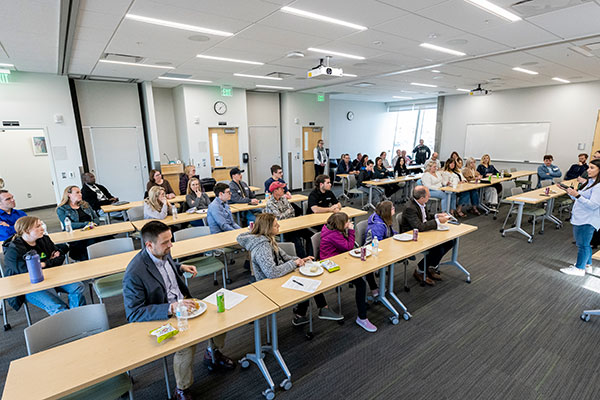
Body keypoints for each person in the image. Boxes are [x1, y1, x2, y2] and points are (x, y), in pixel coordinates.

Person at [123, 221, 234, 400]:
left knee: (220, 318)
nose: (171, 245)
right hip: (164, 314)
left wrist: (180, 267)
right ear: (149, 245)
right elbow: (133, 313)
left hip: (184, 303)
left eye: (171, 240)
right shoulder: (134, 273)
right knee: (186, 346)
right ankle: (181, 389)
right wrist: (171, 308)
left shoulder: (162, 251)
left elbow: (165, 268)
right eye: (166, 242)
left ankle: (213, 352)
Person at [236, 213, 342, 326]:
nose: (279, 226)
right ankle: (313, 310)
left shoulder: (268, 240)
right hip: (268, 285)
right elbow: (272, 272)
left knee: (309, 279)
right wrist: (294, 263)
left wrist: (301, 260)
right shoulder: (262, 247)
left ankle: (307, 312)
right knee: (307, 283)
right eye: (276, 225)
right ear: (268, 228)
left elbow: (285, 257)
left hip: (276, 277)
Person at [2, 216, 86, 315]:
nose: (42, 228)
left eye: (41, 225)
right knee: (57, 306)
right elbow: (27, 271)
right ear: (26, 230)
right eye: (37, 226)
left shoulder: (44, 239)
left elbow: (60, 257)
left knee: (77, 287)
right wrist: (48, 261)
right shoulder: (13, 250)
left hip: (50, 277)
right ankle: (74, 324)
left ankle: (77, 316)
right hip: (27, 286)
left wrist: (44, 263)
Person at [319, 212, 377, 332]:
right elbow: (349, 246)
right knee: (360, 283)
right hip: (333, 266)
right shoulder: (333, 235)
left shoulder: (330, 229)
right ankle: (362, 318)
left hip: (341, 259)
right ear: (340, 224)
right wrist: (351, 231)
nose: (349, 222)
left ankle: (374, 292)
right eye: (346, 222)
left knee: (366, 269)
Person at [400, 186, 453, 286]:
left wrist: (437, 216)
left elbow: (426, 217)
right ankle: (420, 270)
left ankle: (430, 266)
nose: (430, 197)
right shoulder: (410, 208)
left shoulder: (421, 203)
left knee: (450, 242)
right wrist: (437, 221)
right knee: (438, 249)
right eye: (428, 196)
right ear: (422, 198)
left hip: (424, 233)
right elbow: (419, 227)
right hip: (413, 236)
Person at [559, 159, 600, 276]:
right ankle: (587, 265)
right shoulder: (591, 182)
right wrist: (570, 192)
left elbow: (593, 205)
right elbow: (581, 197)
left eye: (592, 168)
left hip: (587, 219)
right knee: (585, 244)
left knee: (583, 245)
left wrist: (576, 194)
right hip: (582, 217)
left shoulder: (598, 186)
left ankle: (579, 268)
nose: (588, 170)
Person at [264, 181, 312, 257]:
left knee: (310, 235)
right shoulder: (270, 203)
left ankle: (311, 256)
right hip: (280, 228)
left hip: (292, 224)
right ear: (275, 191)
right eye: (281, 189)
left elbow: (292, 211)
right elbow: (279, 218)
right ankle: (303, 259)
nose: (284, 190)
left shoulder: (283, 198)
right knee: (296, 240)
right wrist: (288, 212)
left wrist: (285, 213)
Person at [56, 186, 101, 260]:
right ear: (69, 195)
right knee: (89, 243)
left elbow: (96, 218)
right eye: (77, 192)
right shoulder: (62, 209)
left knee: (106, 238)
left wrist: (94, 224)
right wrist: (87, 224)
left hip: (91, 231)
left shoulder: (85, 204)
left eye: (80, 192)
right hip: (76, 235)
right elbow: (68, 225)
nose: (80, 194)